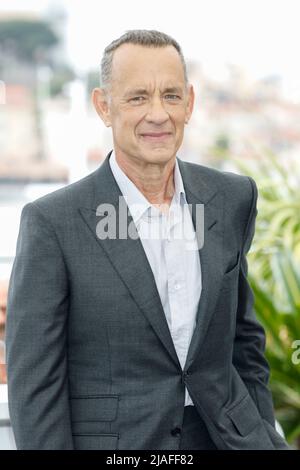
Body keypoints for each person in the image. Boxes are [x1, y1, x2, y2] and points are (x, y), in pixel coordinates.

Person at [5, 30, 290, 450]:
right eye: (138, 97)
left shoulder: (231, 198)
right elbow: (34, 384)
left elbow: (243, 341)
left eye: (171, 96)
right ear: (104, 106)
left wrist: (263, 431)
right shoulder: (53, 222)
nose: (158, 114)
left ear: (190, 104)